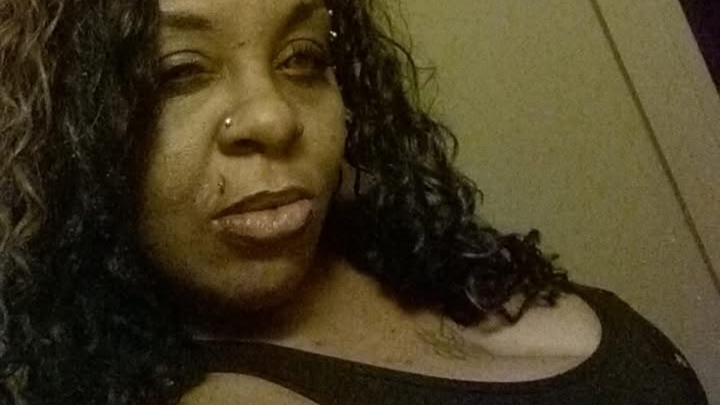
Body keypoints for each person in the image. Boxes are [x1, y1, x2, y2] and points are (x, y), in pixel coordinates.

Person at [0, 0, 709, 404]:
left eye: (303, 58)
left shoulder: (419, 258)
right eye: (179, 71)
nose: (274, 117)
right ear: (73, 130)